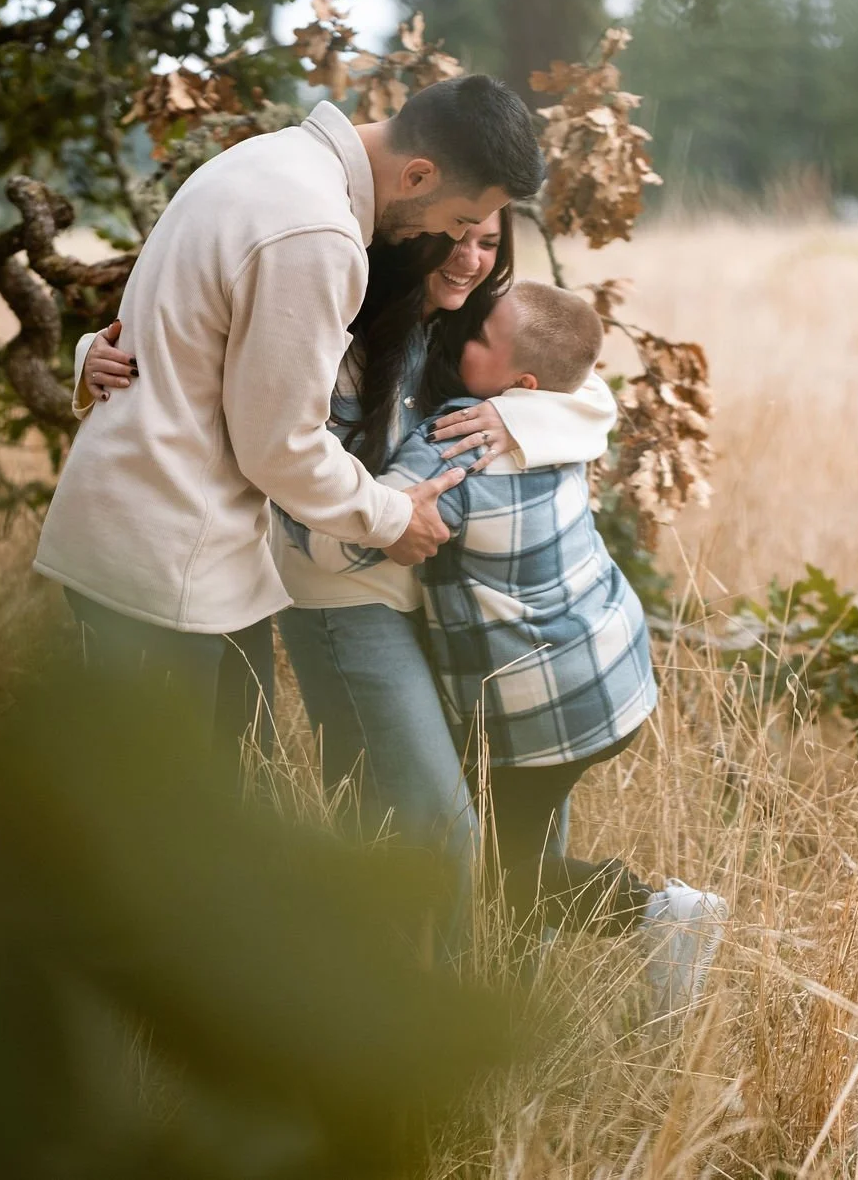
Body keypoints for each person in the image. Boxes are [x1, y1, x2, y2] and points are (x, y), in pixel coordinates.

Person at [79, 212, 617, 949]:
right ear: (411, 232)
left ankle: (485, 983)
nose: (469, 257)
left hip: (439, 603)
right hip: (349, 601)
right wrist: (90, 354)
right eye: (457, 232)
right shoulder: (336, 326)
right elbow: (205, 370)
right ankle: (429, 1018)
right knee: (436, 823)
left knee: (487, 809)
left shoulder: (475, 328)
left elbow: (586, 387)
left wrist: (523, 421)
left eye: (489, 241)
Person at [33, 76, 545, 737]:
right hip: (167, 568)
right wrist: (391, 516)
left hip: (169, 552)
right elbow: (280, 445)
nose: (448, 239)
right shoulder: (317, 231)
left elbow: (174, 333)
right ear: (418, 175)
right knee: (185, 822)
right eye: (458, 221)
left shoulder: (264, 158)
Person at [304, 280, 729, 1020]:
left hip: (546, 705)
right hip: (609, 677)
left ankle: (661, 913)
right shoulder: (554, 412)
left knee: (500, 873)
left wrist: (288, 492)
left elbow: (366, 528)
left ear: (519, 380)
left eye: (479, 339)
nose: (460, 338)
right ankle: (508, 994)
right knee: (516, 850)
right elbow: (589, 388)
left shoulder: (459, 439)